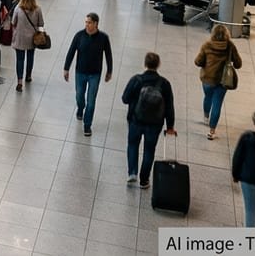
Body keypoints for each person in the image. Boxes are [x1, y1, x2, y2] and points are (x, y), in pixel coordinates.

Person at [120, 52, 176, 189]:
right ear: (158, 65)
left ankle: (132, 172)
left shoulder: (136, 80)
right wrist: (170, 126)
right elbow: (169, 106)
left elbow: (125, 99)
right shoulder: (165, 84)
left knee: (133, 145)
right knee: (149, 150)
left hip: (136, 120)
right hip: (155, 124)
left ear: (145, 63)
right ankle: (144, 180)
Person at [62, 12, 113, 137]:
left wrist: (109, 70)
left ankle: (87, 125)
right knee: (79, 96)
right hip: (80, 72)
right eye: (86, 22)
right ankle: (80, 108)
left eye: (89, 22)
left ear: (96, 24)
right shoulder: (79, 36)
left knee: (91, 101)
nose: (86, 25)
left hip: (95, 74)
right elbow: (71, 51)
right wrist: (66, 68)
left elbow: (108, 55)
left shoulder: (103, 38)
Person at [194, 24, 242, 140]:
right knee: (217, 104)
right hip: (222, 81)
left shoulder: (207, 45)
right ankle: (212, 131)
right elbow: (238, 64)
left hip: (207, 79)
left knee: (207, 97)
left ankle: (206, 117)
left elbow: (198, 62)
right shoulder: (230, 46)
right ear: (227, 35)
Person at [10, 0, 44, 91]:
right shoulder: (37, 9)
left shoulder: (18, 8)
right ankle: (28, 75)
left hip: (20, 38)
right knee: (30, 57)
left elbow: (13, 22)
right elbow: (41, 23)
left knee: (20, 59)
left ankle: (19, 81)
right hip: (32, 38)